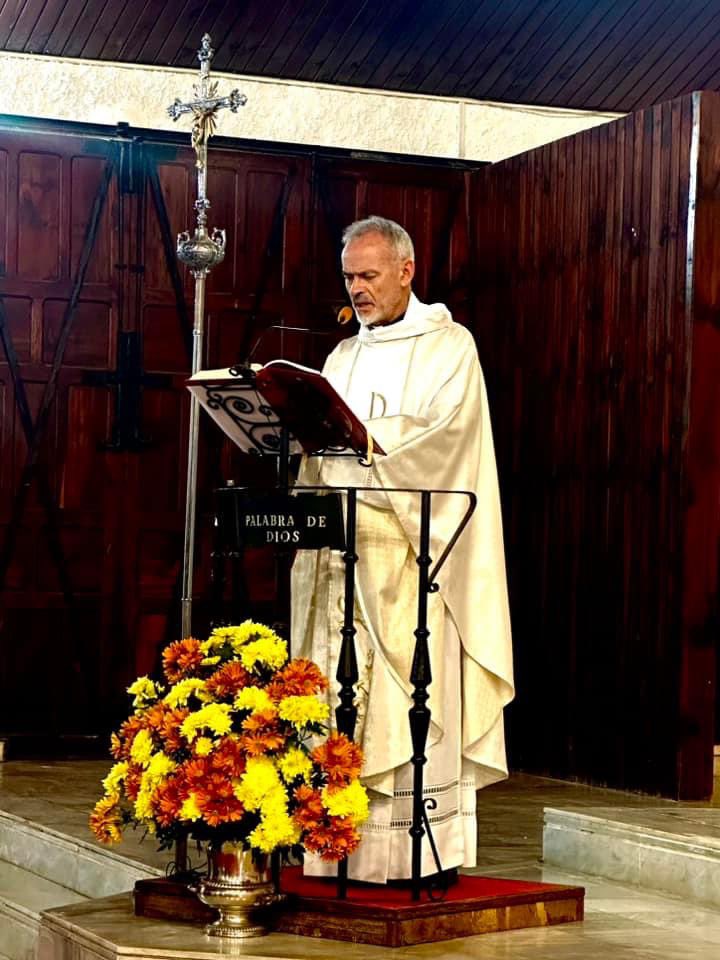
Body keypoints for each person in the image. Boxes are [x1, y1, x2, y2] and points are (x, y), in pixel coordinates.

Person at [291, 216, 514, 883]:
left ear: (406, 270)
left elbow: (448, 445)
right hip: (339, 554)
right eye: (350, 277)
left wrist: (367, 446)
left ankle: (412, 858)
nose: (356, 290)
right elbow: (321, 455)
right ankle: (334, 848)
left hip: (410, 559)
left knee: (404, 706)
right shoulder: (340, 357)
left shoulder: (450, 347)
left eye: (369, 275)